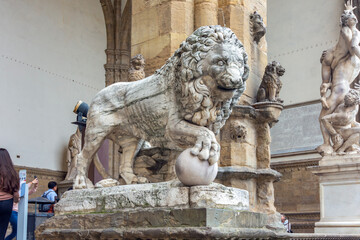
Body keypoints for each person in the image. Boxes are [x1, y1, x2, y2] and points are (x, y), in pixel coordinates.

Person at [318, 0, 360, 155]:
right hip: (343, 86)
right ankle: (340, 146)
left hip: (339, 88)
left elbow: (353, 47)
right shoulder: (350, 34)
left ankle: (328, 143)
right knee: (332, 117)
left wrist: (324, 91)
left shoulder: (334, 51)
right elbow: (353, 47)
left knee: (323, 117)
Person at [321, 89, 360, 153]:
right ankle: (341, 149)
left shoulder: (356, 105)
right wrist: (334, 133)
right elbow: (324, 119)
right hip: (340, 131)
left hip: (348, 127)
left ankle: (343, 149)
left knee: (357, 135)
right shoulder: (343, 114)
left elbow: (352, 119)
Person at [0, 148, 19, 240]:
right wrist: (16, 200)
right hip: (7, 203)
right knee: (2, 231)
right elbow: (16, 193)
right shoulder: (13, 173)